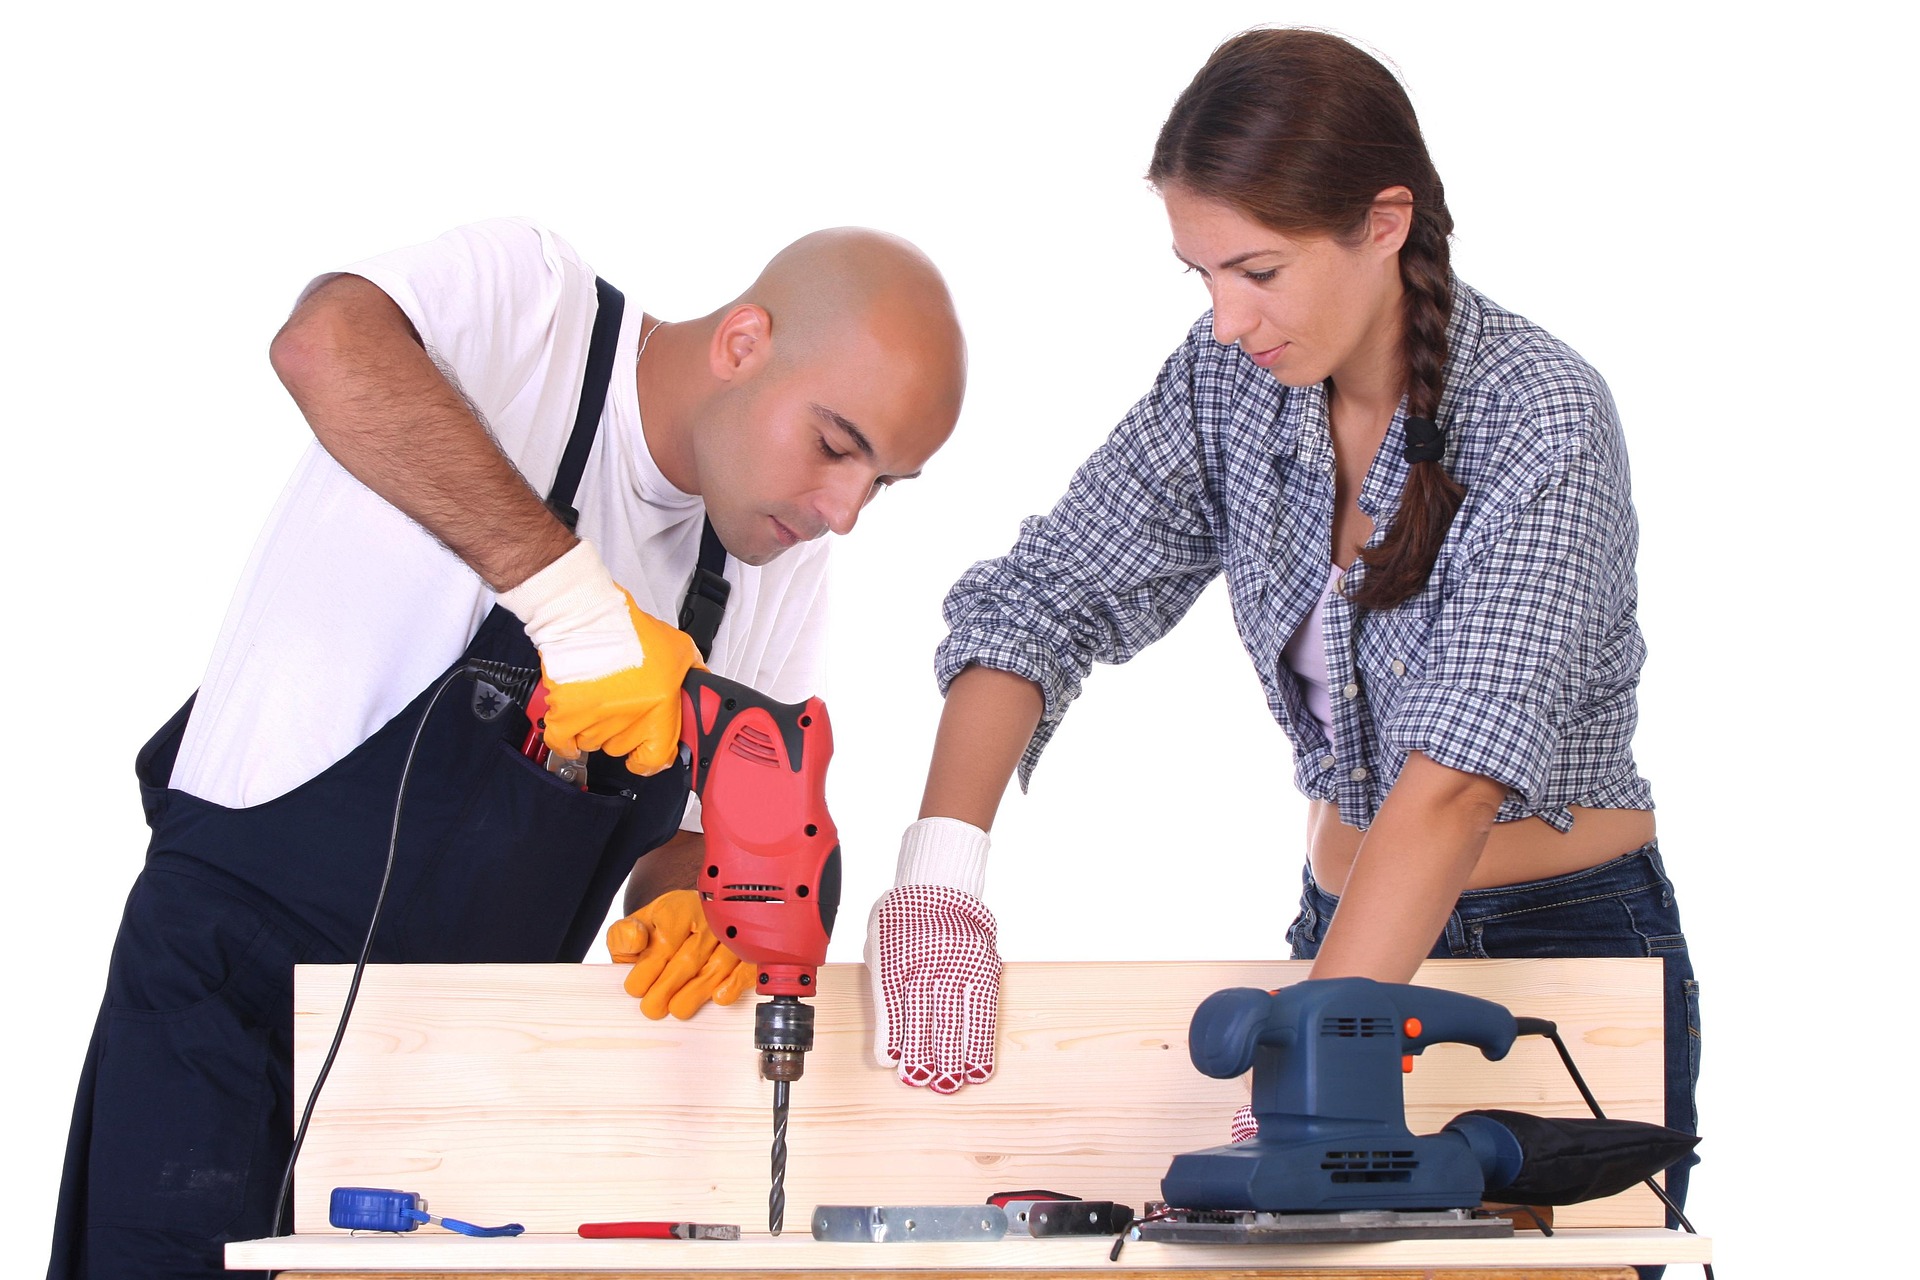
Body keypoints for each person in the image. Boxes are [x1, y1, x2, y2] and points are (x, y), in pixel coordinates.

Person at [865, 25, 1700, 1229]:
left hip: (1558, 952)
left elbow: (1457, 785)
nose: (1226, 319)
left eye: (1257, 270)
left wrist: (1321, 1051)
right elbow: (1044, 595)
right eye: (1200, 275)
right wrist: (940, 874)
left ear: (1385, 221)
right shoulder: (1229, 385)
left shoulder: (1540, 416)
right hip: (1334, 941)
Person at [50, 216, 966, 1280]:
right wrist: (576, 610)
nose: (844, 511)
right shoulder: (538, 312)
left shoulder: (771, 564)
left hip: (470, 1073)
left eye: (882, 482)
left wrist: (702, 902)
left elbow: (705, 831)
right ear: (743, 343)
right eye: (836, 445)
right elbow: (324, 343)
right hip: (225, 1003)